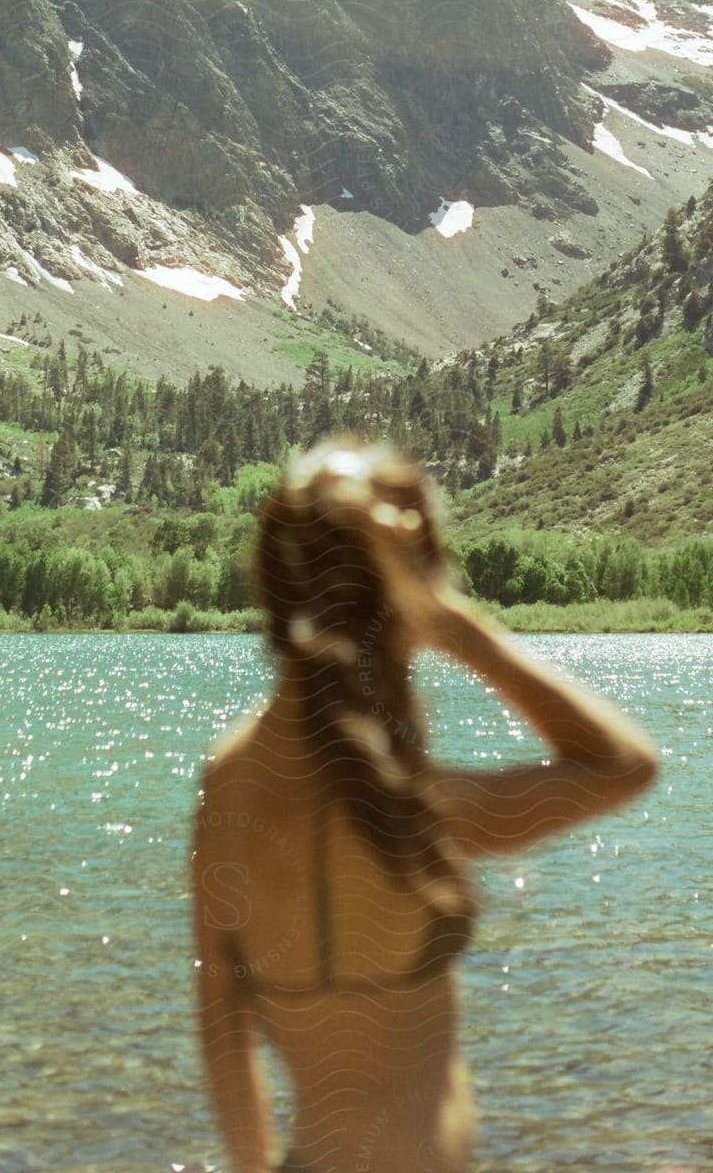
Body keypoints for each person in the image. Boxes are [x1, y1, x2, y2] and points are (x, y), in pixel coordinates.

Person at [190, 439, 658, 1172]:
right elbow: (624, 764)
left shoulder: (233, 776)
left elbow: (222, 1020)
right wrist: (454, 624)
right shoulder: (402, 802)